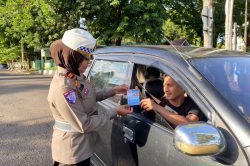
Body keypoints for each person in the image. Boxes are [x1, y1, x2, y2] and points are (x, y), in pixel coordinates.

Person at [47, 28, 132, 166]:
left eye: (89, 57)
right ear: (72, 56)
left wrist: (113, 90)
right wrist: (115, 111)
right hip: (73, 152)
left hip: (82, 147)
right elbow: (84, 124)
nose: (88, 62)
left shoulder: (73, 76)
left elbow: (87, 96)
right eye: (84, 58)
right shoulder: (64, 87)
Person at [140, 75, 205, 128]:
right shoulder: (156, 103)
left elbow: (189, 125)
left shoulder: (193, 103)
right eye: (164, 86)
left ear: (183, 87)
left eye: (169, 85)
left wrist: (158, 108)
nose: (165, 90)